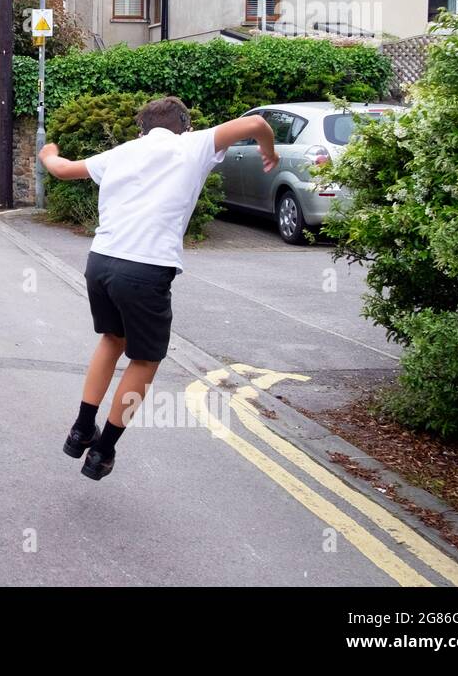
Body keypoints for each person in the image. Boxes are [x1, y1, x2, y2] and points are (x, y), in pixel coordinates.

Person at [38, 96, 278, 481]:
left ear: (142, 128)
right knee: (145, 360)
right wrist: (270, 153)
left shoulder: (122, 151)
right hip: (145, 268)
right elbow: (255, 125)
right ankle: (103, 451)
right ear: (184, 124)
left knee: (111, 340)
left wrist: (48, 152)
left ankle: (82, 428)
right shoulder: (193, 144)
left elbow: (62, 169)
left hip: (100, 261)